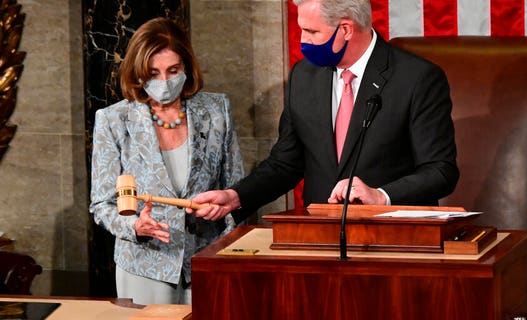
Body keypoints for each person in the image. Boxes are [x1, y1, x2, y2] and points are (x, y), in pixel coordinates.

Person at [188, 0, 458, 223]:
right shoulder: (304, 77)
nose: (303, 41)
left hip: (391, 236)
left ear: (346, 29)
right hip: (319, 236)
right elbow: (286, 164)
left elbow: (440, 171)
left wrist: (381, 195)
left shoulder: (417, 78)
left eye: (312, 32)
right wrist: (236, 196)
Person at [89, 17, 244, 305]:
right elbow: (102, 203)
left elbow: (237, 188)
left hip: (207, 260)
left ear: (186, 66)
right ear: (138, 74)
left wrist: (228, 231)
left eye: (173, 71)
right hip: (145, 264)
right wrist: (135, 226)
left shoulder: (217, 110)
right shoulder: (113, 120)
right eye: (153, 73)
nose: (164, 82)